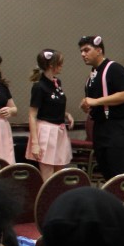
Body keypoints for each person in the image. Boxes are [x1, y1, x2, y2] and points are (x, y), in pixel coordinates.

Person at [79, 35, 124, 178]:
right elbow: (93, 101)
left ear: (99, 50)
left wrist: (96, 101)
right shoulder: (92, 76)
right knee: (106, 173)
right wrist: (86, 106)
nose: (83, 54)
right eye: (81, 51)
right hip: (100, 128)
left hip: (118, 128)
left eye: (86, 50)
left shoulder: (115, 69)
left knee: (119, 174)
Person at [27, 48, 74, 177]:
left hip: (59, 131)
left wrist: (66, 114)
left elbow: (52, 105)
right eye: (59, 63)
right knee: (47, 176)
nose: (62, 65)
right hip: (46, 132)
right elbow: (32, 115)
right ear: (51, 65)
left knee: (58, 176)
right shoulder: (39, 86)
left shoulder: (57, 82)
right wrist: (35, 143)